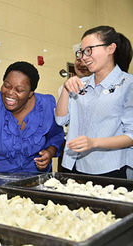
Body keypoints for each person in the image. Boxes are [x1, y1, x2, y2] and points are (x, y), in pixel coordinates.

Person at [55, 26, 133, 178]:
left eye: (89, 50)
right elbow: (60, 120)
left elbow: (131, 136)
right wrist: (65, 89)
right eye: (82, 51)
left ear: (111, 49)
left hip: (108, 168)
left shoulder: (128, 85)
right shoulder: (80, 83)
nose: (84, 57)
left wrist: (94, 143)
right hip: (73, 165)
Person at [57, 43, 92, 172]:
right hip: (71, 152)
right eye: (78, 60)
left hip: (95, 156)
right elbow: (61, 120)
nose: (82, 64)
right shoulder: (64, 88)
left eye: (86, 61)